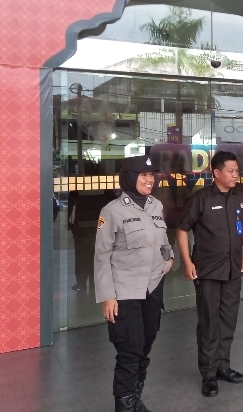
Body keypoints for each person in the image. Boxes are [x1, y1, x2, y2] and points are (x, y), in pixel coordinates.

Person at [94, 155, 174, 412]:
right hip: (124, 290)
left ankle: (135, 398)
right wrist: (107, 296)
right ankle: (125, 405)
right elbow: (102, 256)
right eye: (143, 175)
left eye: (152, 175)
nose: (150, 180)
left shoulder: (156, 205)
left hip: (152, 287)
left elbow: (162, 240)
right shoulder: (112, 211)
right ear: (129, 177)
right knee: (129, 350)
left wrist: (169, 257)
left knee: (145, 346)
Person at [176, 151, 243, 397]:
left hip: (233, 269)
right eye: (230, 171)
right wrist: (187, 262)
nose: (235, 175)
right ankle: (208, 374)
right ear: (216, 172)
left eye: (237, 171)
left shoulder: (241, 197)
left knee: (228, 320)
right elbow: (182, 230)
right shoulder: (201, 199)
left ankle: (223, 367)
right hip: (208, 271)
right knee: (209, 323)